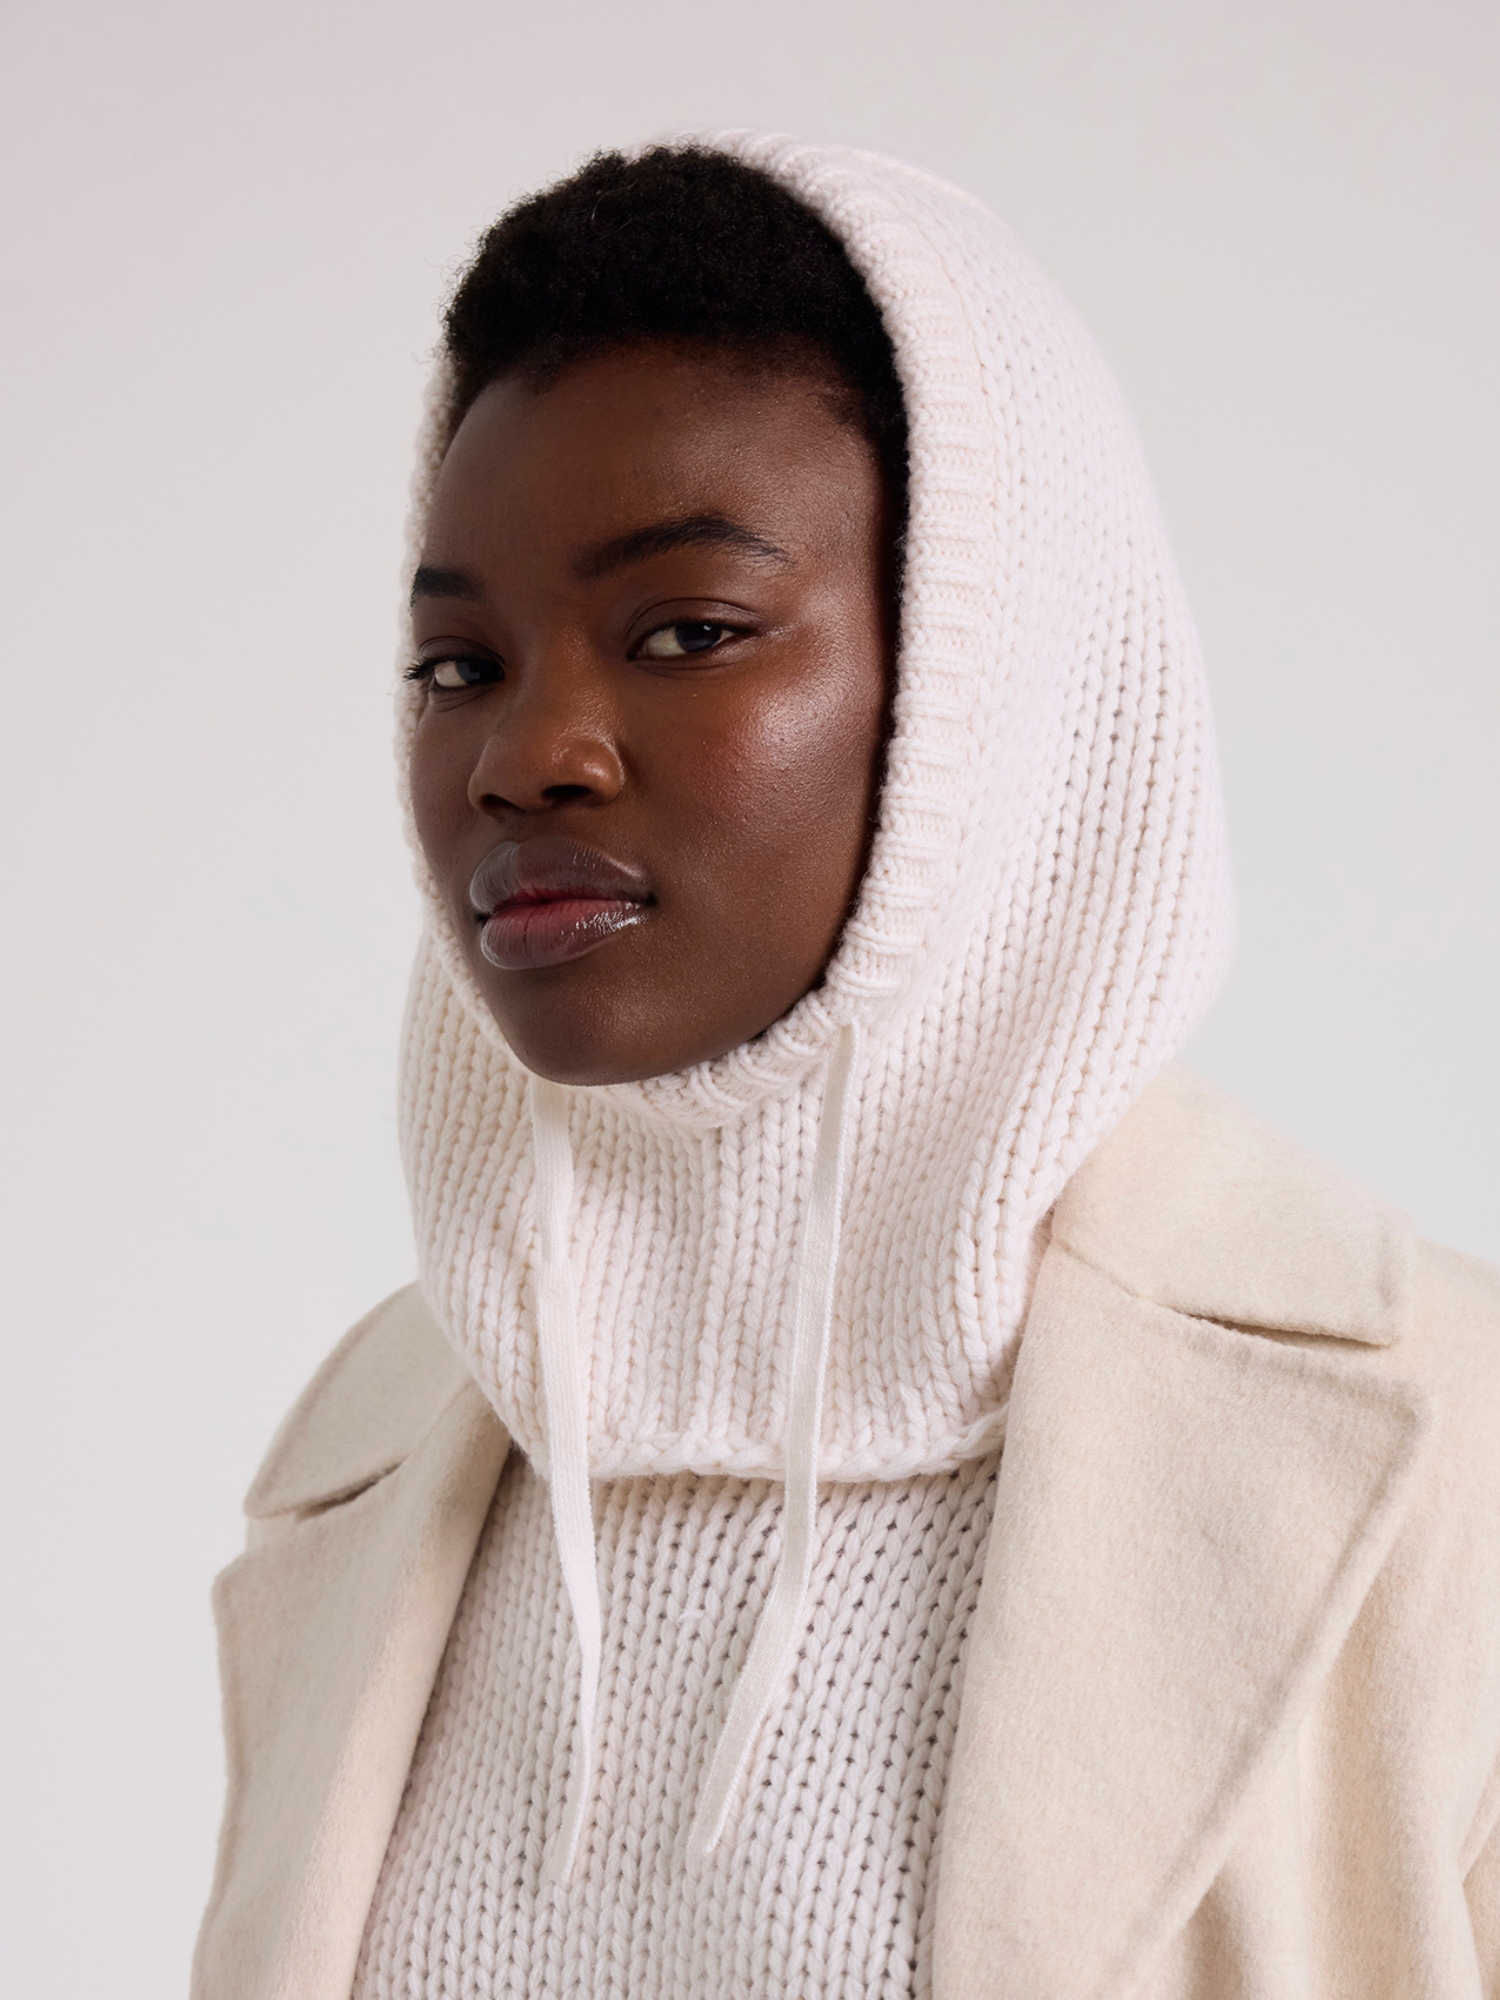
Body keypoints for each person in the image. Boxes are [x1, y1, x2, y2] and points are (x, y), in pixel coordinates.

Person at [192, 137, 1500, 2000]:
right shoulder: (371, 1456)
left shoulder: (1455, 1448)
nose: (526, 754)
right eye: (457, 665)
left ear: (989, 678)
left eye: (689, 633)